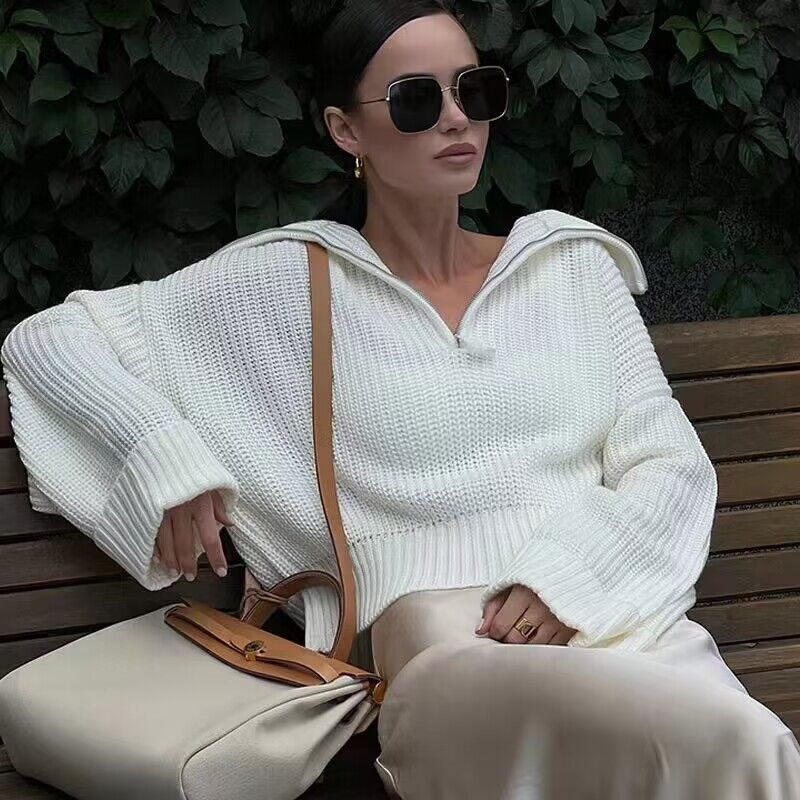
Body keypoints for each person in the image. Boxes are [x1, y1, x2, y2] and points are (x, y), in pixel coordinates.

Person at [1, 0, 797, 797]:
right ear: (346, 130)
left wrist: (573, 581)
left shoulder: (572, 268)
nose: (456, 118)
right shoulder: (284, 283)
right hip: (442, 643)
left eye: (475, 90)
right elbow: (49, 341)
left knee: (742, 738)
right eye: (417, 99)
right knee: (731, 740)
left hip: (618, 613)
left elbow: (669, 463)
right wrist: (162, 454)